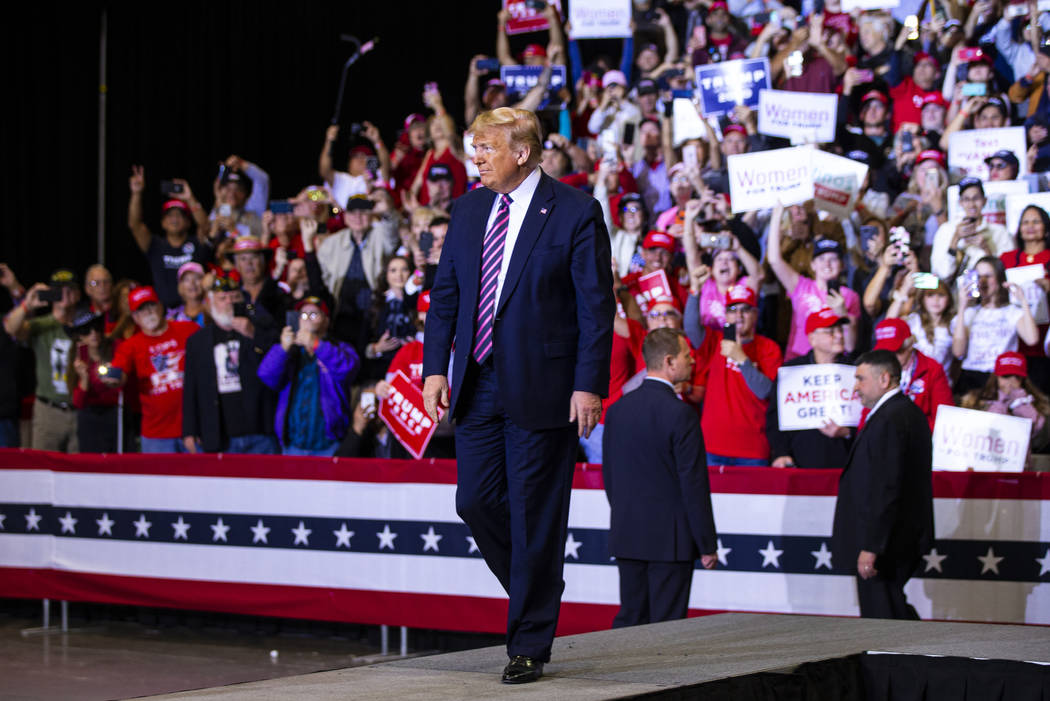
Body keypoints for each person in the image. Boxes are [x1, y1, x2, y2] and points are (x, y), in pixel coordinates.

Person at [422, 107, 614, 684]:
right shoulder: (468, 208)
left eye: (484, 148)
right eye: (473, 147)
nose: (474, 158)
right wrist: (435, 369)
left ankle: (529, 641)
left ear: (522, 152)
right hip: (477, 382)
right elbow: (447, 293)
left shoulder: (577, 211)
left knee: (536, 515)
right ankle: (539, 585)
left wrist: (588, 384)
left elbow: (595, 306)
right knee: (474, 502)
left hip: (546, 387)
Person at [602, 327, 717, 628]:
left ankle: (623, 676)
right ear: (669, 361)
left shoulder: (617, 411)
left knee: (631, 620)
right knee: (667, 628)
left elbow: (610, 478)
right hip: (672, 542)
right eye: (687, 356)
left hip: (627, 534)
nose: (692, 362)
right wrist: (707, 544)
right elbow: (693, 485)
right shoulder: (681, 414)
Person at [832, 349, 933, 619]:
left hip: (887, 544)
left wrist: (871, 547)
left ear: (884, 379)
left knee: (882, 621)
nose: (855, 387)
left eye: (860, 379)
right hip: (894, 539)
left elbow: (886, 488)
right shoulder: (904, 412)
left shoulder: (891, 418)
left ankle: (893, 662)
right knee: (891, 612)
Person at [685, 284, 782, 466]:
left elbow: (765, 391)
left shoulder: (769, 348)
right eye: (732, 309)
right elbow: (691, 328)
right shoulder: (714, 341)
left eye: (745, 310)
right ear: (726, 315)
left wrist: (741, 359)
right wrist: (695, 291)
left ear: (755, 314)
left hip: (752, 449)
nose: (739, 315)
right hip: (713, 446)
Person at [181, 277, 279, 455]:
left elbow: (278, 359)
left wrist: (253, 334)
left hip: (259, 429)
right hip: (219, 432)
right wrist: (189, 430)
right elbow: (190, 388)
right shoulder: (197, 341)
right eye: (223, 298)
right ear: (210, 302)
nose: (229, 303)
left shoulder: (260, 326)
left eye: (234, 297)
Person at [258, 297, 360, 456]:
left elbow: (347, 369)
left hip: (328, 444)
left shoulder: (339, 348)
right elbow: (267, 376)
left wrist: (316, 344)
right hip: (292, 444)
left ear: (326, 321)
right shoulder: (291, 351)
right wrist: (282, 349)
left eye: (314, 315)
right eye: (303, 315)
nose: (307, 320)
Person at [107, 286, 199, 453]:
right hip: (156, 434)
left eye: (151, 306)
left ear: (160, 306)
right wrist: (112, 377)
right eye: (141, 310)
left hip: (193, 429)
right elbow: (118, 373)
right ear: (135, 317)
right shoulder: (130, 346)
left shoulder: (189, 330)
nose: (148, 313)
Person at [2, 269, 82, 452]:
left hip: (79, 409)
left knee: (78, 473)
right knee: (43, 469)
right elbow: (11, 329)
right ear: (51, 294)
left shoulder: (85, 324)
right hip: (48, 411)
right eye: (58, 291)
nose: (64, 295)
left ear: (78, 294)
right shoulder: (42, 325)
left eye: (69, 290)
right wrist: (27, 305)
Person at [767, 308, 854, 469]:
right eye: (830, 331)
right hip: (800, 461)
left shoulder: (856, 369)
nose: (839, 336)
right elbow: (775, 417)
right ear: (812, 339)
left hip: (848, 462)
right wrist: (780, 452)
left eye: (840, 330)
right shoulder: (791, 371)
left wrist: (848, 433)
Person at [952, 255, 1039, 395]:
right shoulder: (968, 313)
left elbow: (1032, 339)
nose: (983, 281)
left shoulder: (1012, 312)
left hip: (1001, 378)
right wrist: (962, 306)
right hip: (971, 377)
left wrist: (1023, 301)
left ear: (999, 278)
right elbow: (958, 351)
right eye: (978, 276)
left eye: (988, 276)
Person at [127, 166, 209, 308]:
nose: (175, 219)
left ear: (189, 222)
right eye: (170, 215)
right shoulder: (155, 245)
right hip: (166, 315)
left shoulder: (196, 243)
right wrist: (136, 194)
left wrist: (190, 199)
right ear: (163, 223)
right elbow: (135, 225)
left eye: (180, 215)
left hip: (198, 310)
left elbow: (207, 228)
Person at [961, 351, 1050, 458]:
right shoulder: (974, 401)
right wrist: (999, 405)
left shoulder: (1039, 404)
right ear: (996, 377)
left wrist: (1022, 405)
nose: (1010, 382)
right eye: (1006, 376)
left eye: (1016, 377)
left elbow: (1040, 442)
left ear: (1023, 379)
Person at [871, 318, 954, 432]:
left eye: (895, 351)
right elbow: (867, 413)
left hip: (918, 440)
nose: (889, 358)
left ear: (909, 346)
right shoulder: (876, 368)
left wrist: (912, 433)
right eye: (884, 352)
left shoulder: (932, 369)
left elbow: (945, 417)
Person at [67, 309, 121, 453]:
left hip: (115, 415)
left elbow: (122, 385)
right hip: (89, 418)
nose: (93, 334)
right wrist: (84, 378)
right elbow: (78, 403)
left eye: (96, 328)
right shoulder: (77, 358)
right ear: (79, 336)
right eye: (86, 331)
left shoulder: (116, 348)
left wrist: (114, 376)